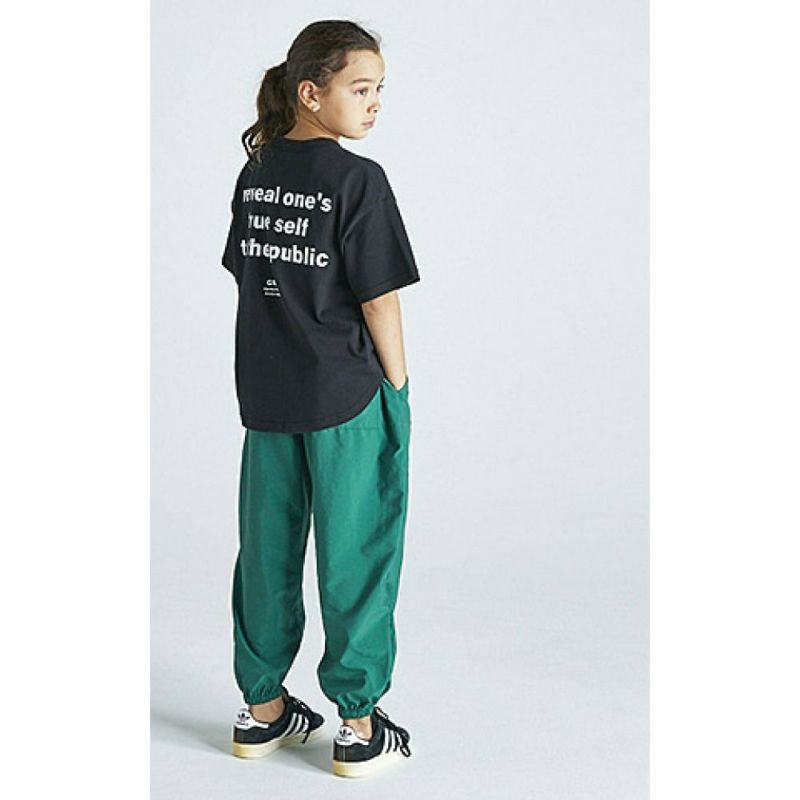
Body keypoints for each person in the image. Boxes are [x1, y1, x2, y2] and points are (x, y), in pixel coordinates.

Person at [220, 20, 420, 779]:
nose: (375, 104)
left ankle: (262, 709)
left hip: (266, 395)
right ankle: (358, 725)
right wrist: (397, 386)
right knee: (357, 553)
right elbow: (378, 299)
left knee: (266, 552)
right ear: (311, 92)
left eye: (379, 90)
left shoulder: (257, 172)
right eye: (360, 89)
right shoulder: (356, 180)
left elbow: (251, 275)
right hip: (344, 396)